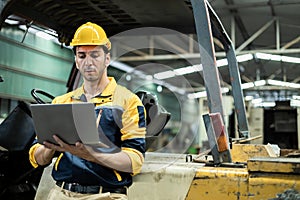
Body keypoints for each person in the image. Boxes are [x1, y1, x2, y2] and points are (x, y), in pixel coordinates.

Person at [29, 22, 146, 200]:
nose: (88, 62)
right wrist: (51, 148)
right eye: (82, 55)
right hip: (60, 193)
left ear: (107, 58)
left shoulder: (128, 102)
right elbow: (38, 159)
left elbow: (134, 161)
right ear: (76, 60)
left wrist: (91, 154)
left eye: (95, 55)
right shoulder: (61, 102)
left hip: (105, 195)